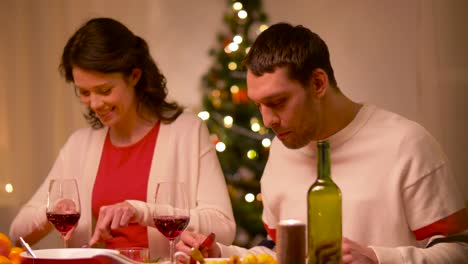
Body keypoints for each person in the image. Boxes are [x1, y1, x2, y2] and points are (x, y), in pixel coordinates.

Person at [176, 22, 468, 263]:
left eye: (277, 102)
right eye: (258, 106)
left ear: (318, 83)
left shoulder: (407, 144)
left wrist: (377, 258)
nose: (267, 121)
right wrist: (222, 254)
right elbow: (281, 255)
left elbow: (460, 252)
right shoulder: (281, 150)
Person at [9, 17, 235, 258]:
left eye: (105, 90)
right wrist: (51, 211)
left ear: (135, 76)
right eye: (84, 92)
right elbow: (16, 234)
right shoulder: (79, 145)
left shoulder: (186, 132)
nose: (94, 104)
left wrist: (142, 211)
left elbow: (223, 228)